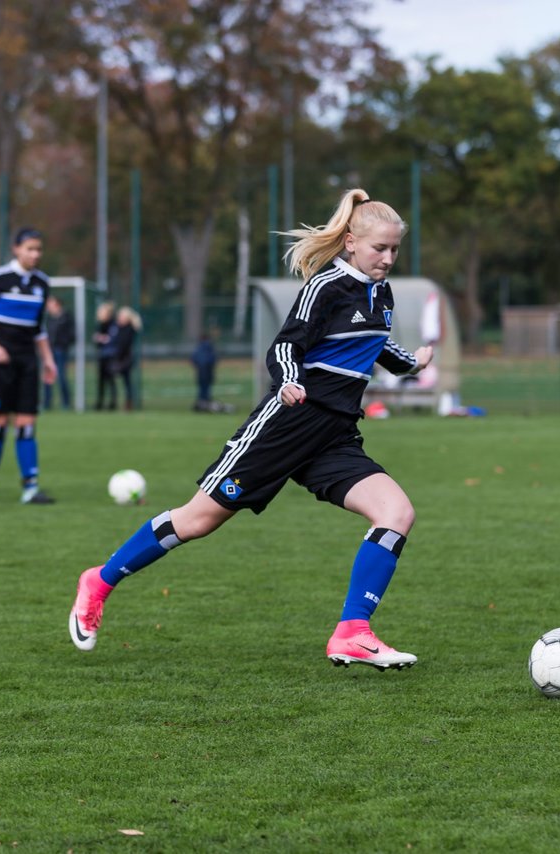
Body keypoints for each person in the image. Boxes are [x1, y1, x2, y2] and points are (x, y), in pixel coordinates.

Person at [68, 189, 433, 670]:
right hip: (285, 425)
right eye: (378, 249)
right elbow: (286, 345)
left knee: (396, 512)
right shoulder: (326, 287)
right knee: (198, 520)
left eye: (394, 250)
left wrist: (412, 363)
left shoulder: (380, 293)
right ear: (349, 243)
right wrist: (289, 381)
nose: (387, 259)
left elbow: (376, 346)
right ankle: (100, 580)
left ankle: (352, 632)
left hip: (335, 435)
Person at [0, 227, 59, 505]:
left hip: (27, 361)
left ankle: (30, 488)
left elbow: (39, 328)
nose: (35, 254)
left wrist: (48, 360)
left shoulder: (42, 283)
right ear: (16, 249)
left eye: (38, 249)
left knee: (26, 424)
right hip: (0, 361)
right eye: (30, 249)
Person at [43, 294, 75, 410]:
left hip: (60, 350)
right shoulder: (47, 319)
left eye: (50, 303)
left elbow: (72, 335)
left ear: (56, 304)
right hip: (48, 351)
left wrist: (63, 343)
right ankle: (46, 403)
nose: (47, 305)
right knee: (47, 378)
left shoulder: (66, 317)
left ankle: (66, 403)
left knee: (61, 377)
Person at [111, 306, 141, 411]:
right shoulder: (117, 328)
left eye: (122, 316)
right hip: (119, 357)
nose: (119, 318)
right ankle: (116, 401)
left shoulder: (129, 329)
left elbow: (124, 344)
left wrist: (118, 356)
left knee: (127, 381)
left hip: (125, 359)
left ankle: (128, 403)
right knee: (119, 380)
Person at [93, 301, 118, 410]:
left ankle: (113, 403)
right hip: (102, 356)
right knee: (101, 381)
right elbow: (98, 339)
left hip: (110, 356)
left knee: (111, 380)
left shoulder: (113, 324)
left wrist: (102, 338)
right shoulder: (100, 325)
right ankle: (100, 403)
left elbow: (111, 339)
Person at [191, 330, 217, 411]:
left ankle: (201, 404)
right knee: (206, 389)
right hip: (207, 371)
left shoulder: (199, 348)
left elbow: (194, 358)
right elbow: (212, 359)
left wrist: (198, 366)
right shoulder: (209, 348)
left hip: (201, 371)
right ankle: (204, 405)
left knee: (202, 389)